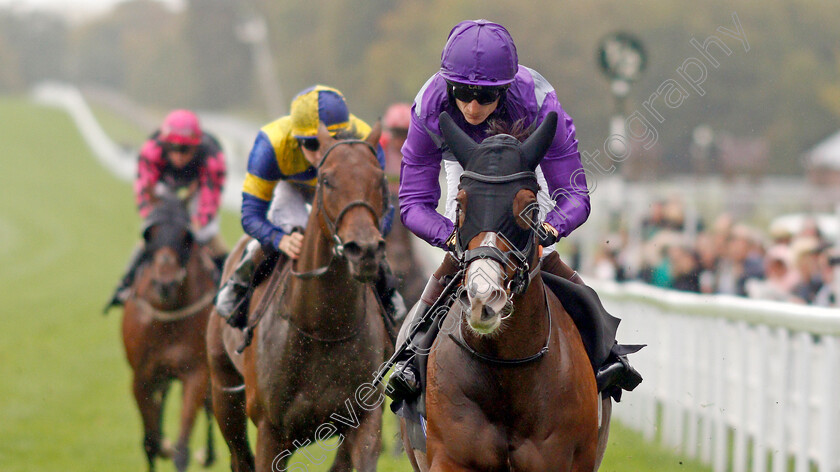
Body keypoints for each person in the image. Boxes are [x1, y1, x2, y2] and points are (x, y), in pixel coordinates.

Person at [387, 19, 642, 403]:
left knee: (540, 252)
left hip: (523, 161)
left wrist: (547, 231)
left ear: (505, 90)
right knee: (466, 255)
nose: (472, 107)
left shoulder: (539, 103)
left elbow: (573, 194)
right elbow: (413, 203)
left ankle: (605, 354)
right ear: (447, 84)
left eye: (485, 97)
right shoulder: (428, 105)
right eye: (462, 93)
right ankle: (411, 356)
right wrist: (453, 237)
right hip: (464, 166)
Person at [215, 85, 404, 328]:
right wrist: (278, 239)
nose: (322, 152)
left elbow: (384, 209)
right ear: (295, 139)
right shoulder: (270, 145)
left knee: (366, 234)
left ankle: (387, 290)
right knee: (289, 228)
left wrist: (371, 234)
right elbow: (251, 215)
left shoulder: (364, 137)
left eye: (332, 141)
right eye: (312, 144)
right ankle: (239, 283)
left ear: (345, 133)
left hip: (342, 190)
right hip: (293, 188)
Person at [104, 109, 227, 312]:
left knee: (208, 234)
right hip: (164, 189)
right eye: (173, 148)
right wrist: (155, 221)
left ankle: (230, 290)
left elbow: (210, 198)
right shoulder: (151, 151)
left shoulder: (212, 157)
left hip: (198, 189)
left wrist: (198, 222)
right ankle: (124, 285)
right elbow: (144, 190)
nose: (178, 155)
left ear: (196, 147)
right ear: (164, 144)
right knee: (154, 234)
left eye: (185, 150)